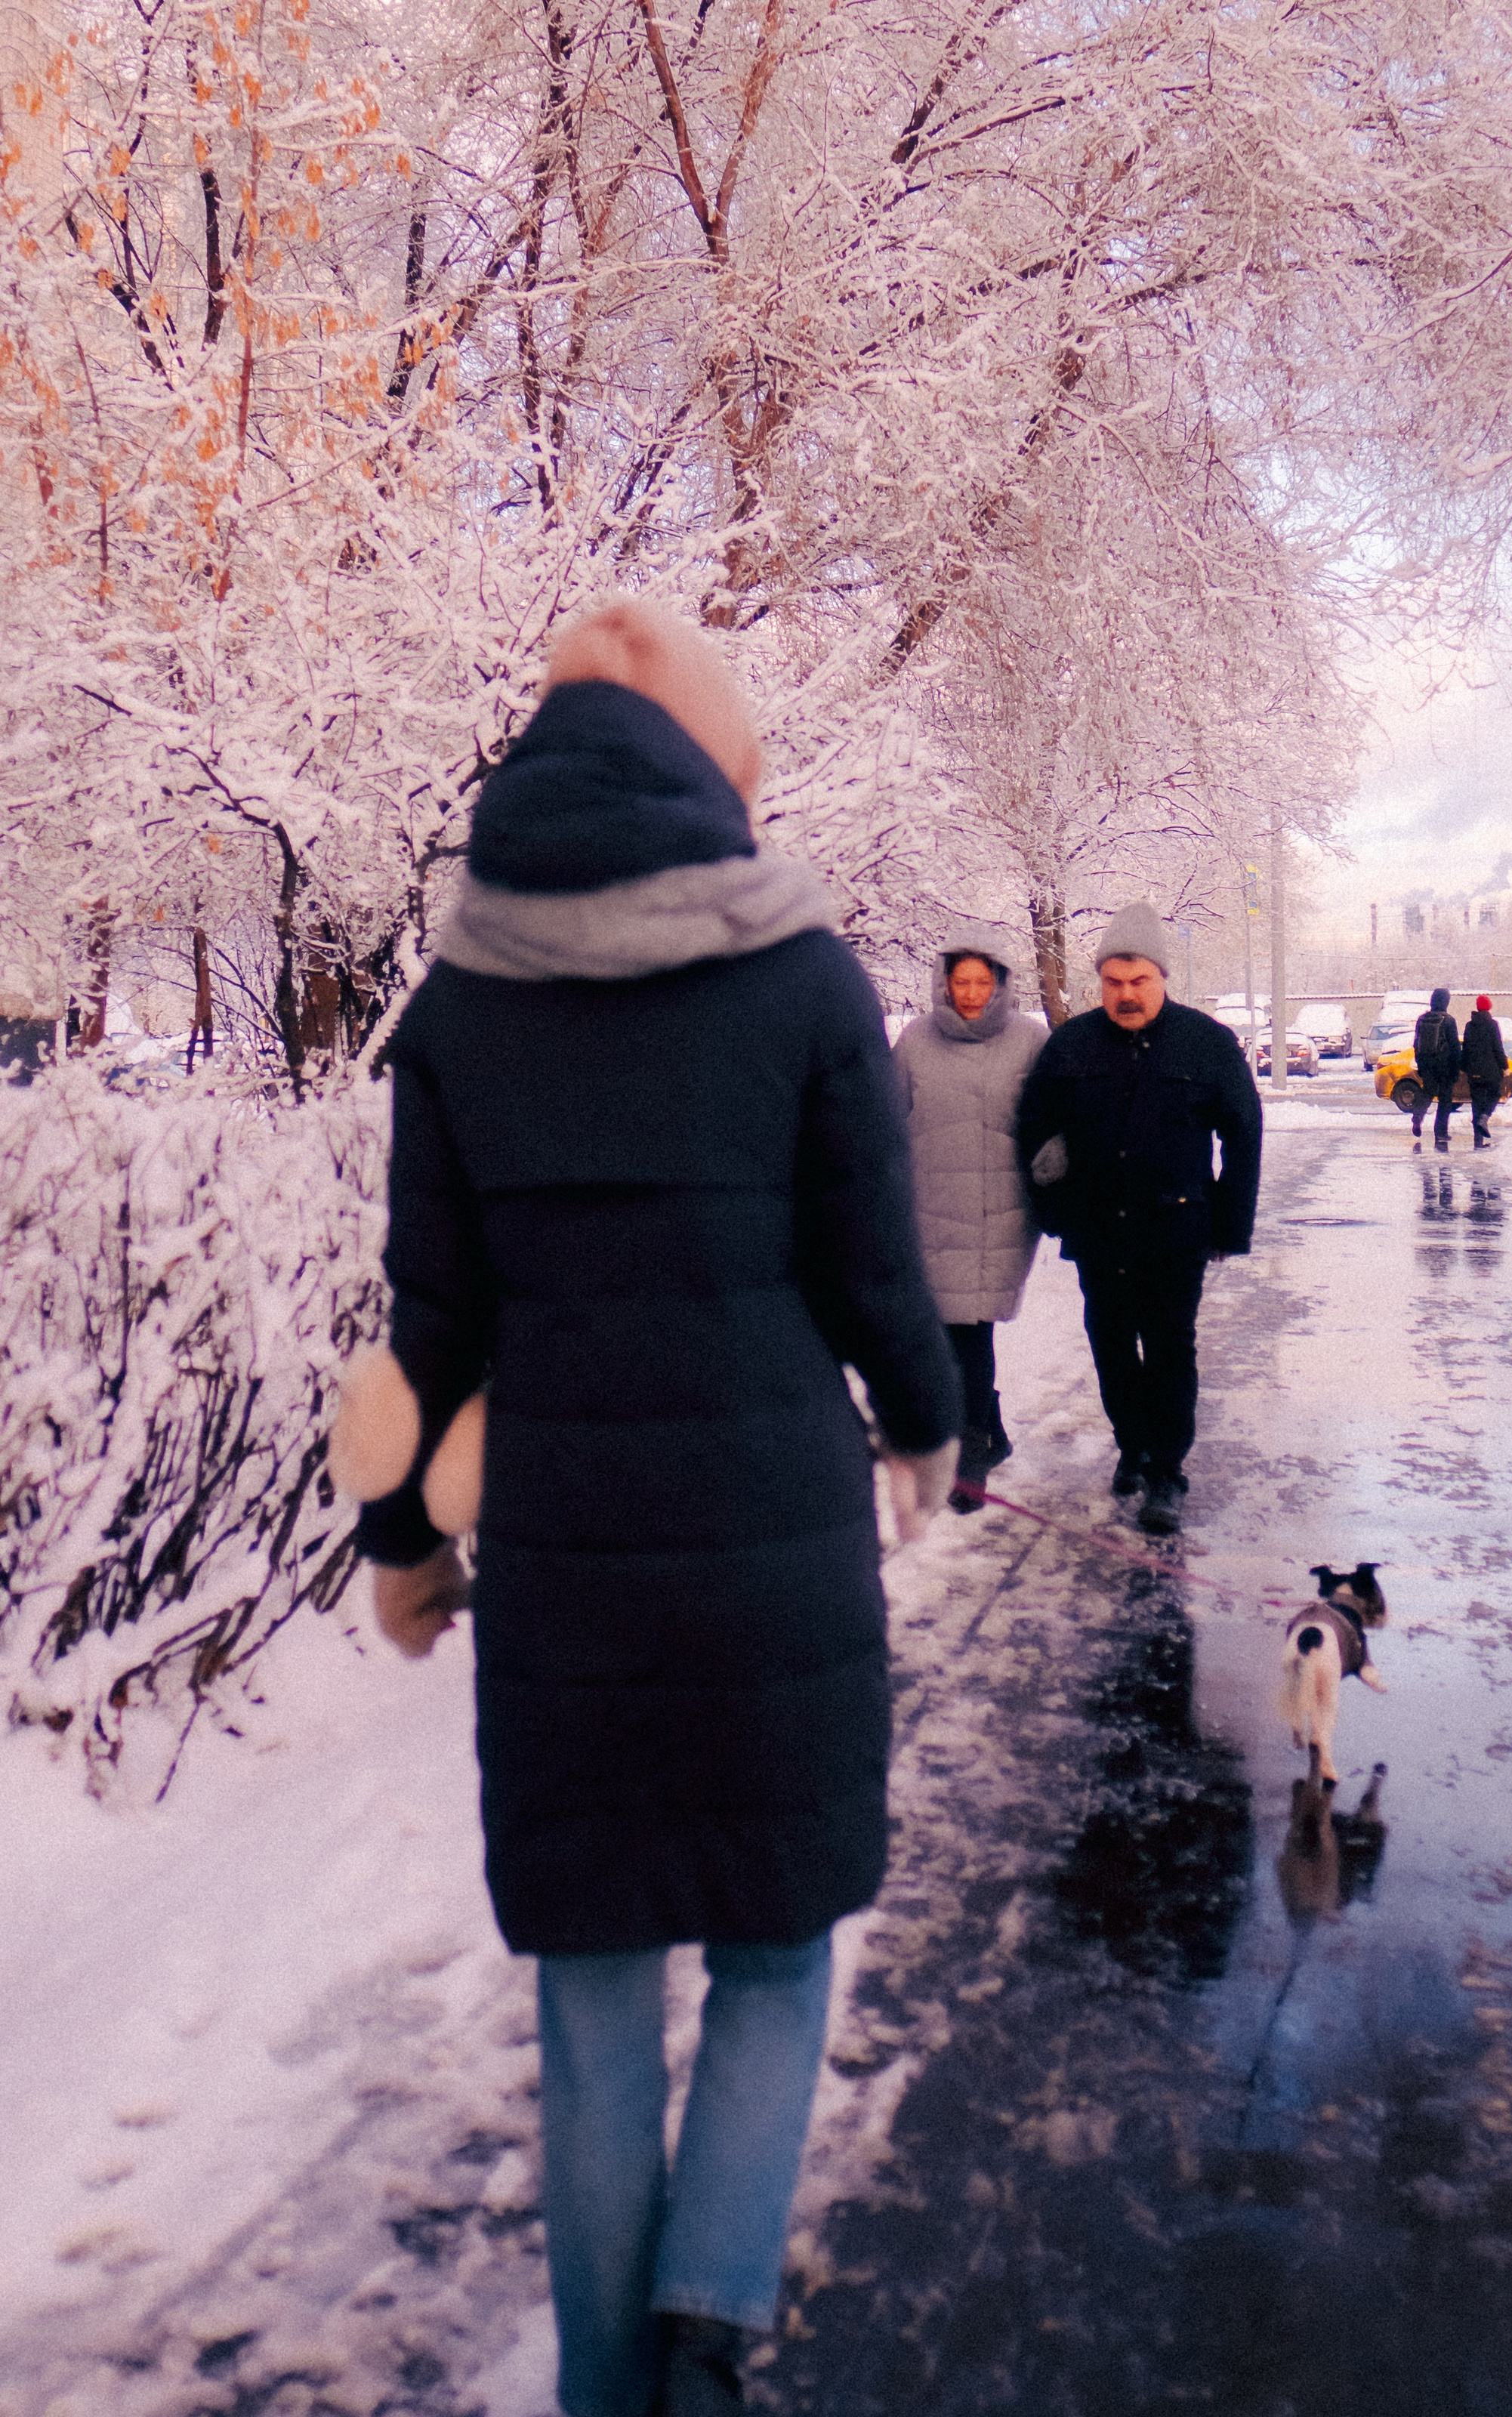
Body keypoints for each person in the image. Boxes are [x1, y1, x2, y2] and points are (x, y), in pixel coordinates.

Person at [327, 597, 961, 2417]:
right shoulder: (802, 976)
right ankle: (709, 2314)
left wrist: (401, 1545)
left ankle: (610, 2384)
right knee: (775, 1946)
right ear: (711, 767)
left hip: (566, 1560)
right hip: (771, 1531)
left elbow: (429, 1316)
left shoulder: (458, 1004)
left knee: (593, 1989)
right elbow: (872, 1267)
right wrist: (922, 1429)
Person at [1016, 903, 1263, 1536]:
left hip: (1176, 1230)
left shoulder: (1206, 1044)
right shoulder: (1071, 1046)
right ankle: (1132, 1444)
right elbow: (1034, 1129)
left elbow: (1244, 1133)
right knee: (1111, 1346)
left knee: (1170, 1347)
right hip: (1098, 1231)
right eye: (1114, 983)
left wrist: (1229, 1227)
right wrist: (1054, 1210)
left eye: (1139, 982)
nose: (1126, 995)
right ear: (1100, 982)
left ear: (1162, 977)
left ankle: (1166, 1473)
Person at [892, 922, 1048, 1511]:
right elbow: (886, 1120)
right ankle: (986, 1429)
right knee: (944, 1333)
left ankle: (971, 1455)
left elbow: (1048, 1118)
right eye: (962, 980)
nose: (973, 992)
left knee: (972, 1329)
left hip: (999, 1210)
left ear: (1001, 983)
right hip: (929, 1206)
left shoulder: (1030, 1042)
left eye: (984, 981)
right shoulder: (912, 1042)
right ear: (945, 981)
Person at [1412, 986, 1461, 1147]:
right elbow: (1455, 1047)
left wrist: (1420, 1063)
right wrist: (1456, 1069)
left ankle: (1418, 1115)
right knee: (1445, 1099)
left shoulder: (1422, 1019)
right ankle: (1441, 1133)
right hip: (1444, 1065)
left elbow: (1416, 1044)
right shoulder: (1449, 1020)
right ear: (1446, 1002)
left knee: (1427, 1092)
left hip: (1426, 1064)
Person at [1461, 992, 1508, 1149]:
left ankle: (1478, 1142)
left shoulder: (1469, 1025)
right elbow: (1497, 1047)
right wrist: (1504, 1065)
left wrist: (1465, 1067)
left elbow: (1466, 1048)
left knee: (1477, 1104)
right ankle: (1485, 1117)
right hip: (1491, 1071)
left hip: (1474, 1072)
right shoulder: (1492, 1025)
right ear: (1489, 1007)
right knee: (1495, 1094)